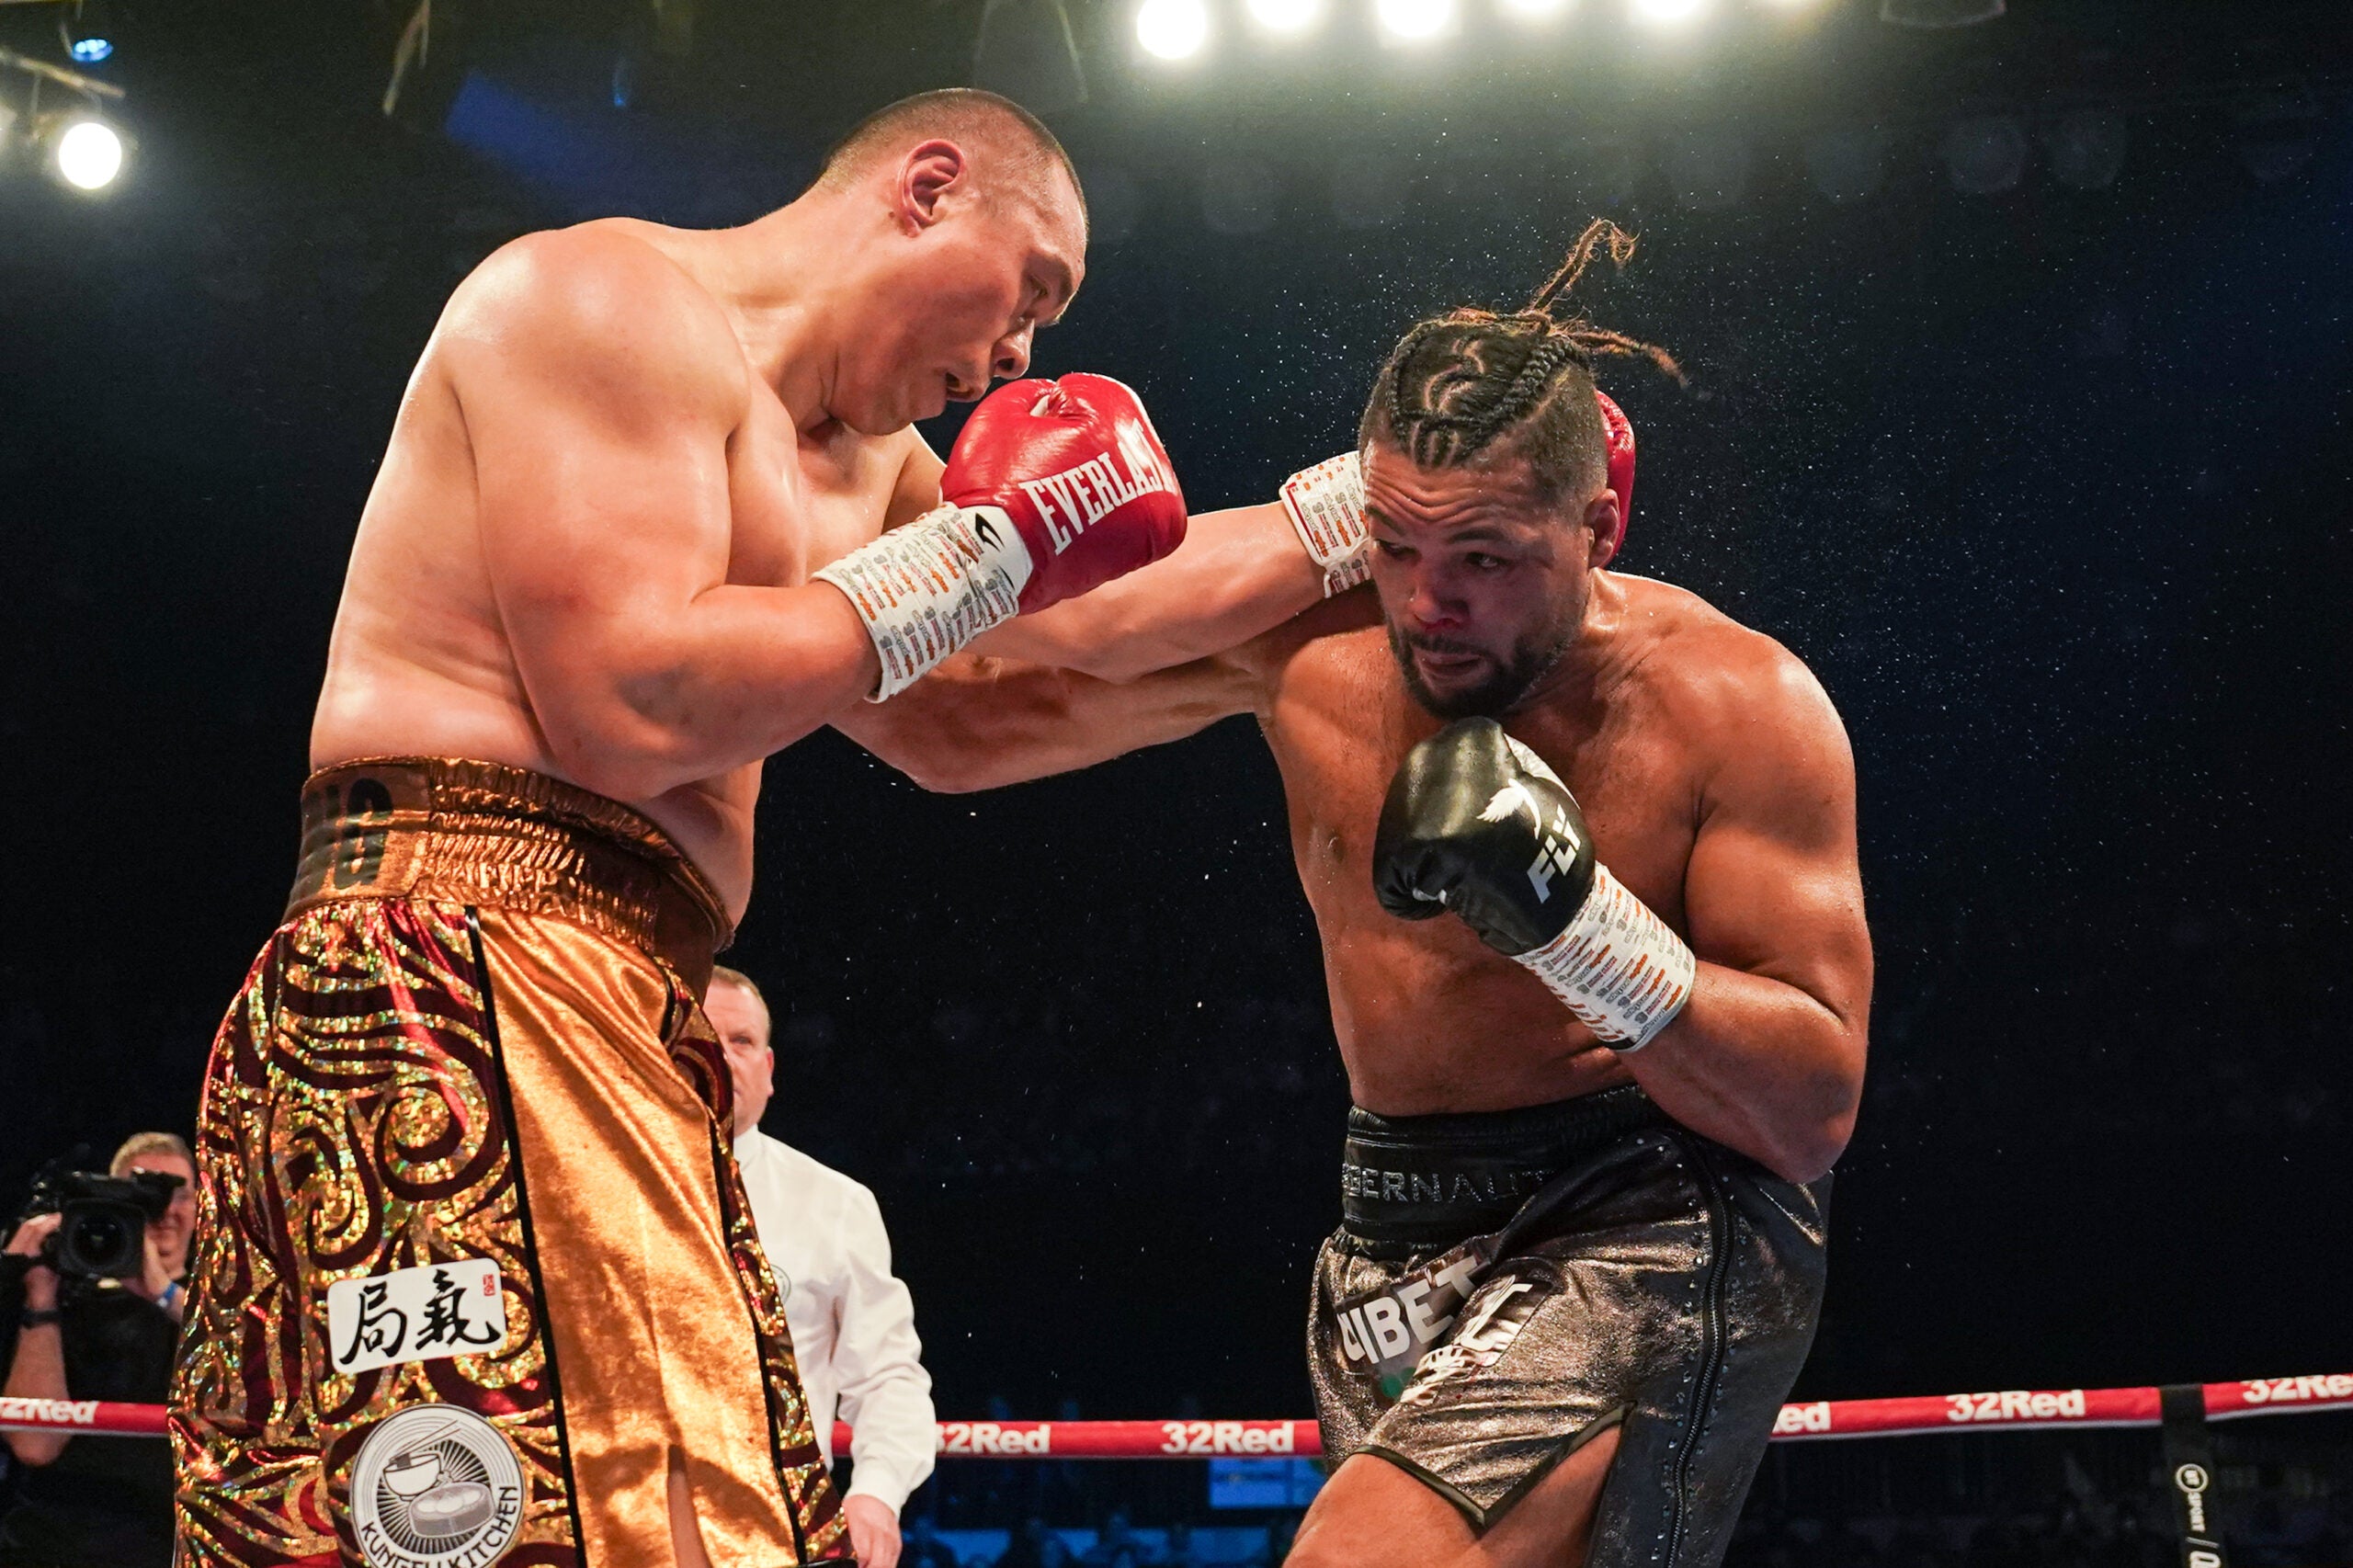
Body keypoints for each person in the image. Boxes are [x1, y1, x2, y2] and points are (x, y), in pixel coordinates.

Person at [167, 85, 1339, 1568]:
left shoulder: (859, 468)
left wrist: (1357, 542)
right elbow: (630, 703)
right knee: (509, 1518)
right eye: (1032, 285)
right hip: (448, 969)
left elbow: (991, 688)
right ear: (926, 190)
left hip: (613, 996)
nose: (1026, 354)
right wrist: (991, 552)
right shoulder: (601, 301)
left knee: (671, 1506)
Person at [845, 222, 1873, 1568]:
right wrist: (813, 490)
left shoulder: (1735, 706)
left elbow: (1812, 1111)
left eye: (1488, 560)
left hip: (1645, 1201)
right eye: (1393, 545)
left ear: (1597, 524)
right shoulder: (1314, 641)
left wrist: (1582, 927)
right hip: (1388, 1223)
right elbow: (958, 728)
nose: (1431, 603)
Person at [708, 966, 937, 1568]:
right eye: (704, 1037)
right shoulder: (587, 1198)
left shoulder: (832, 1203)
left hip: (778, 1528)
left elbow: (886, 1374)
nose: (724, 1057)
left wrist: (877, 1494)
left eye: (743, 1042)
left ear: (769, 1069)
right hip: (619, 1520)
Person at [1, 1132, 197, 1565]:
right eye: (141, 1196)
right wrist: (37, 1292)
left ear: (202, 1207)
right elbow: (35, 1444)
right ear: (109, 1203)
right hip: (48, 1549)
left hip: (163, 1548)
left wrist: (162, 1292)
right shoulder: (61, 1304)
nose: (164, 1211)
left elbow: (253, 1362)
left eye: (177, 1195)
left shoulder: (224, 1306)